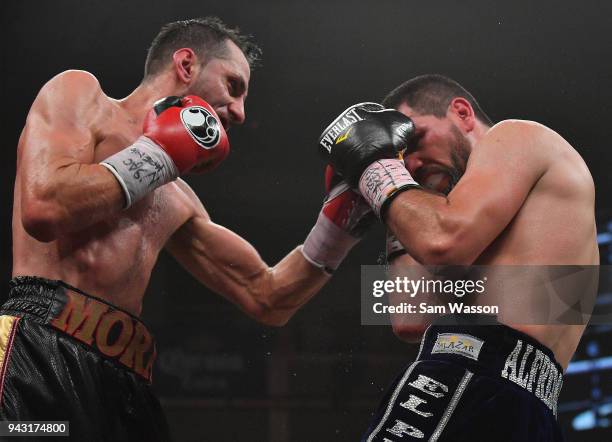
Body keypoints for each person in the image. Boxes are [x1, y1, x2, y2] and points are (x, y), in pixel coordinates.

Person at [0, 17, 371, 441]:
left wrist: (342, 220)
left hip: (125, 383)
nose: (241, 113)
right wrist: (158, 156)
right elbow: (44, 207)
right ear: (186, 64)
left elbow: (267, 296)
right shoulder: (81, 95)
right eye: (233, 86)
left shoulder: (178, 197)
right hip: (40, 350)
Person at [319, 74, 598, 441]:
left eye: (414, 139)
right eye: (401, 156)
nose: (411, 163)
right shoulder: (482, 216)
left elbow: (442, 240)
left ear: (462, 113)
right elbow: (411, 318)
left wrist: (376, 171)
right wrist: (397, 206)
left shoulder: (516, 136)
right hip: (529, 410)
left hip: (468, 383)